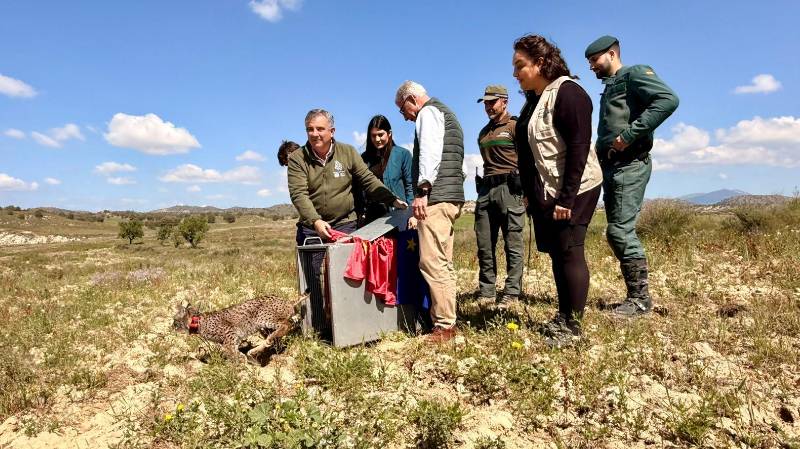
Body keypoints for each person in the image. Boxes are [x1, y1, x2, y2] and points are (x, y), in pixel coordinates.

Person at [512, 34, 602, 347]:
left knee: (570, 250)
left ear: (540, 63)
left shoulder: (569, 93)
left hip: (575, 188)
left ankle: (573, 328)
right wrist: (529, 193)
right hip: (547, 190)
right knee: (557, 252)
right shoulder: (535, 100)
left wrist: (566, 198)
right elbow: (529, 155)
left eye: (520, 65)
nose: (515, 73)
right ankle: (563, 316)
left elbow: (579, 149)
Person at [585, 35, 679, 317]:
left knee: (619, 231)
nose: (591, 66)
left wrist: (628, 135)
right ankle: (637, 297)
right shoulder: (611, 85)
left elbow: (668, 100)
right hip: (612, 167)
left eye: (594, 60)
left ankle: (640, 300)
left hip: (630, 164)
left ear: (612, 54)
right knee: (616, 231)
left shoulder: (634, 74)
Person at [395, 80, 465, 343]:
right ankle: (447, 320)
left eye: (403, 109)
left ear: (412, 99)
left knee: (432, 262)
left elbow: (430, 153)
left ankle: (445, 326)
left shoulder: (428, 113)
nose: (405, 116)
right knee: (443, 262)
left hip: (436, 199)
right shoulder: (448, 114)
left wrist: (423, 191)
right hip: (451, 196)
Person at [287, 108, 407, 248]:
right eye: (310, 129)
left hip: (345, 225)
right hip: (311, 229)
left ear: (332, 131)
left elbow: (368, 180)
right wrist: (315, 221)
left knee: (346, 263)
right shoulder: (297, 158)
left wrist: (392, 199)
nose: (314, 134)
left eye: (320, 129)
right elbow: (299, 194)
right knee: (314, 263)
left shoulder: (348, 152)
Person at [474, 85, 525, 308]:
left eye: (492, 102)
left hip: (509, 190)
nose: (488, 107)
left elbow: (528, 160)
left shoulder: (515, 126)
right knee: (484, 245)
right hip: (486, 190)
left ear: (504, 101)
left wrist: (526, 191)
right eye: (485, 103)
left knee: (512, 244)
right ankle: (487, 291)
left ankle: (512, 293)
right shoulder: (483, 133)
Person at [358, 115, 414, 225]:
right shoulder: (364, 158)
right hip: (373, 217)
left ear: (389, 133)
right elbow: (361, 190)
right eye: (373, 135)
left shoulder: (403, 155)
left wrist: (412, 213)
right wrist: (361, 211)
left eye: (380, 135)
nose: (377, 139)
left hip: (399, 214)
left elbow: (410, 186)